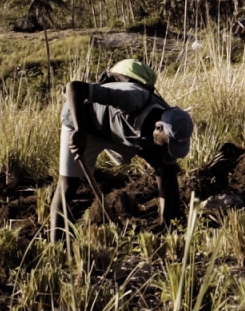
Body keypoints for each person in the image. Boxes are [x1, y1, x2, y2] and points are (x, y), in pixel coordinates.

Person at [50, 59, 194, 241]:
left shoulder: (170, 122)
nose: (167, 151)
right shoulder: (131, 99)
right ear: (158, 128)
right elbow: (74, 88)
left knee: (164, 165)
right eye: (166, 146)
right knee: (69, 184)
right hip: (84, 124)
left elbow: (168, 168)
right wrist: (79, 130)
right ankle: (56, 243)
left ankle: (166, 223)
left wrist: (168, 224)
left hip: (121, 131)